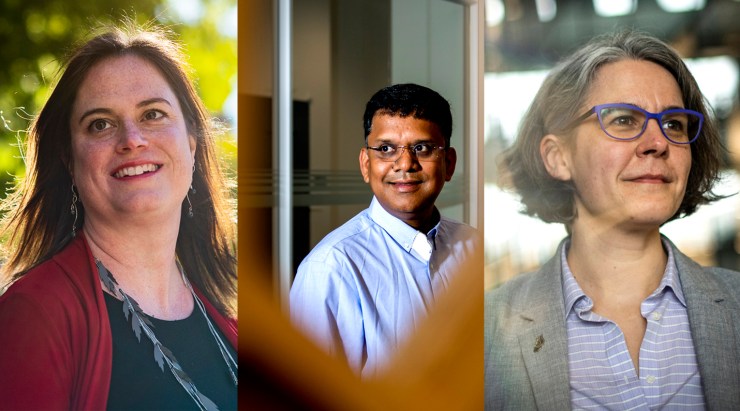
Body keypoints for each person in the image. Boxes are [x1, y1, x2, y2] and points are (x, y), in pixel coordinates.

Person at [485, 30, 740, 409]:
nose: (658, 142)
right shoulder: (485, 332)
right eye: (623, 120)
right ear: (558, 157)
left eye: (673, 124)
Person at [0, 22, 238, 410]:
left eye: (153, 114)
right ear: (70, 161)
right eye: (100, 124)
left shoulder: (228, 328)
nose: (132, 139)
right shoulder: (35, 316)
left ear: (192, 143)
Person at [290, 83, 480, 377]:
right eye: (386, 149)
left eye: (423, 148)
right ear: (366, 164)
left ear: (449, 163)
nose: (405, 164)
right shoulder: (332, 267)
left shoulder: (474, 248)